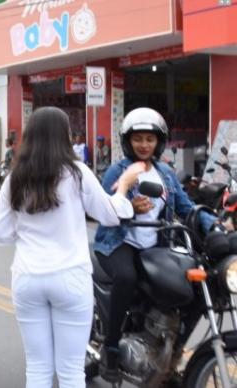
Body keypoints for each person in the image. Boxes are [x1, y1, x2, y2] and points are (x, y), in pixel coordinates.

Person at [0, 107, 144, 388]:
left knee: (37, 369)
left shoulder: (15, 178)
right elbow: (110, 214)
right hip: (71, 278)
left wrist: (26, 231)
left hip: (27, 279)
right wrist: (122, 188)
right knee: (71, 371)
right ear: (65, 137)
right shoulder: (78, 174)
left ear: (30, 137)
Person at [94, 107, 217, 382]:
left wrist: (215, 225)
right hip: (119, 242)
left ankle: (168, 353)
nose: (144, 144)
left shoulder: (165, 173)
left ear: (159, 141)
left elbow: (187, 207)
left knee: (186, 285)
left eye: (149, 139)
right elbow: (101, 207)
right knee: (127, 277)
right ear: (128, 141)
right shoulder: (118, 170)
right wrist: (130, 207)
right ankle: (111, 349)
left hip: (155, 244)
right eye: (138, 139)